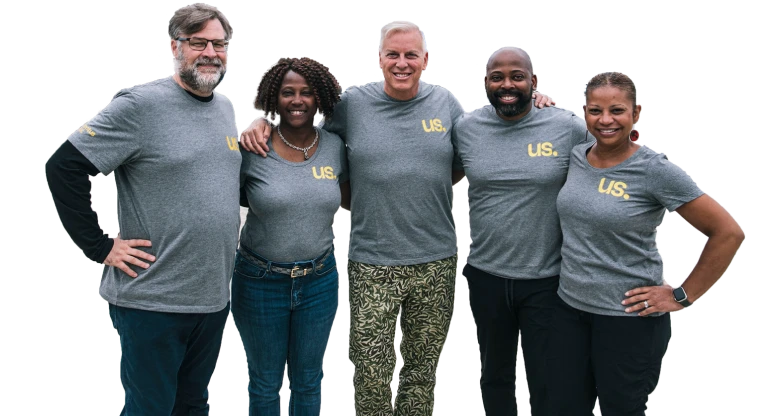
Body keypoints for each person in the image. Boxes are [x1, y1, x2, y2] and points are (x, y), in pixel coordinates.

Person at [239, 21, 555, 416]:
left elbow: (473, 150)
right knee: (372, 373)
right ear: (380, 59)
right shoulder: (352, 106)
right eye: (393, 54)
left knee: (422, 372)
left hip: (435, 261)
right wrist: (260, 121)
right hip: (373, 262)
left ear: (425, 60)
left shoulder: (446, 106)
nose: (402, 63)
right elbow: (309, 138)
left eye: (411, 55)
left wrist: (537, 100)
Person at [43, 4, 239, 414]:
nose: (211, 52)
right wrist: (100, 247)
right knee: (151, 407)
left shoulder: (224, 110)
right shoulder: (140, 106)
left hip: (210, 298)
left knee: (192, 404)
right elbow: (64, 168)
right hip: (152, 299)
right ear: (174, 47)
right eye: (198, 42)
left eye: (219, 43)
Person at [548, 71, 746, 415]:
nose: (605, 120)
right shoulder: (578, 156)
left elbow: (728, 233)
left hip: (628, 320)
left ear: (636, 113)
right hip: (569, 312)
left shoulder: (653, 169)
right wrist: (541, 99)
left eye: (617, 110)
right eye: (595, 111)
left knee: (621, 409)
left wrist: (683, 295)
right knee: (564, 407)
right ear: (584, 113)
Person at [452, 45, 593, 416]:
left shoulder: (567, 126)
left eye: (517, 76)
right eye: (497, 77)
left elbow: (608, 166)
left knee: (547, 377)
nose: (507, 84)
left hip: (548, 278)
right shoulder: (466, 129)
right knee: (495, 375)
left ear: (533, 82)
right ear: (486, 83)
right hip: (486, 275)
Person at [231, 55, 349, 416]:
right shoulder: (251, 148)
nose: (297, 100)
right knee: (265, 383)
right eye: (287, 92)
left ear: (320, 99)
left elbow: (355, 197)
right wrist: (256, 123)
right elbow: (220, 199)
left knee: (308, 380)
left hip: (319, 281)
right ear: (273, 98)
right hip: (259, 281)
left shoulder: (334, 146)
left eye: (307, 92)